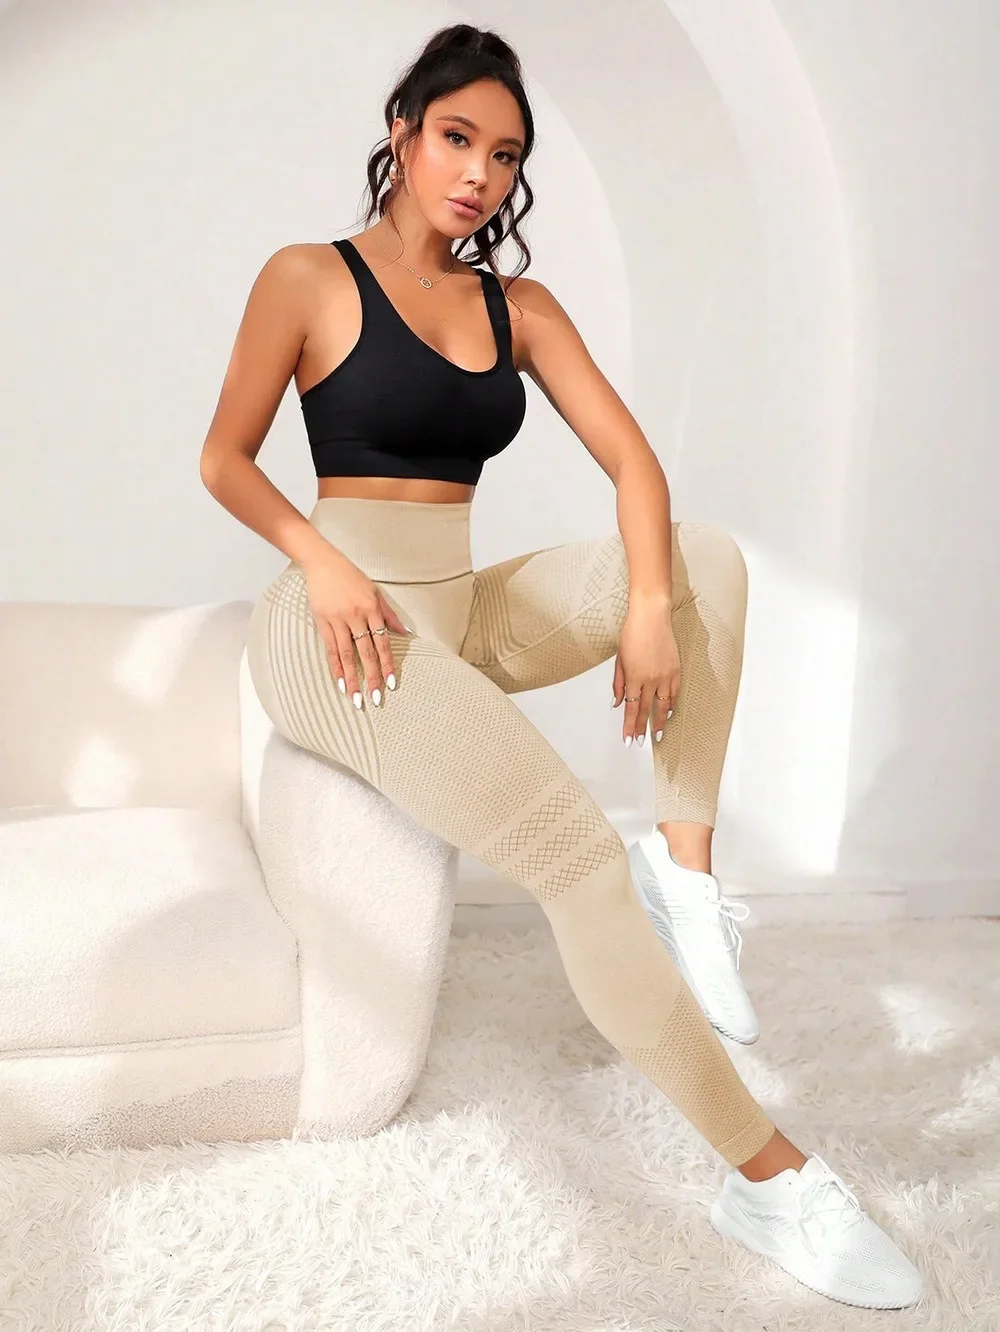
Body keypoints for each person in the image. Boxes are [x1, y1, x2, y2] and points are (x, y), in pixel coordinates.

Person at [199, 22, 923, 1311]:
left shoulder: (517, 308)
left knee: (703, 562)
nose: (478, 173)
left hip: (460, 607)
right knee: (572, 853)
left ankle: (686, 881)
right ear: (403, 135)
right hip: (334, 630)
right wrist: (321, 559)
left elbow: (636, 464)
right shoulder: (308, 276)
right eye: (456, 138)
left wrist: (647, 608)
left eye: (504, 155)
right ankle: (768, 1179)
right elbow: (225, 459)